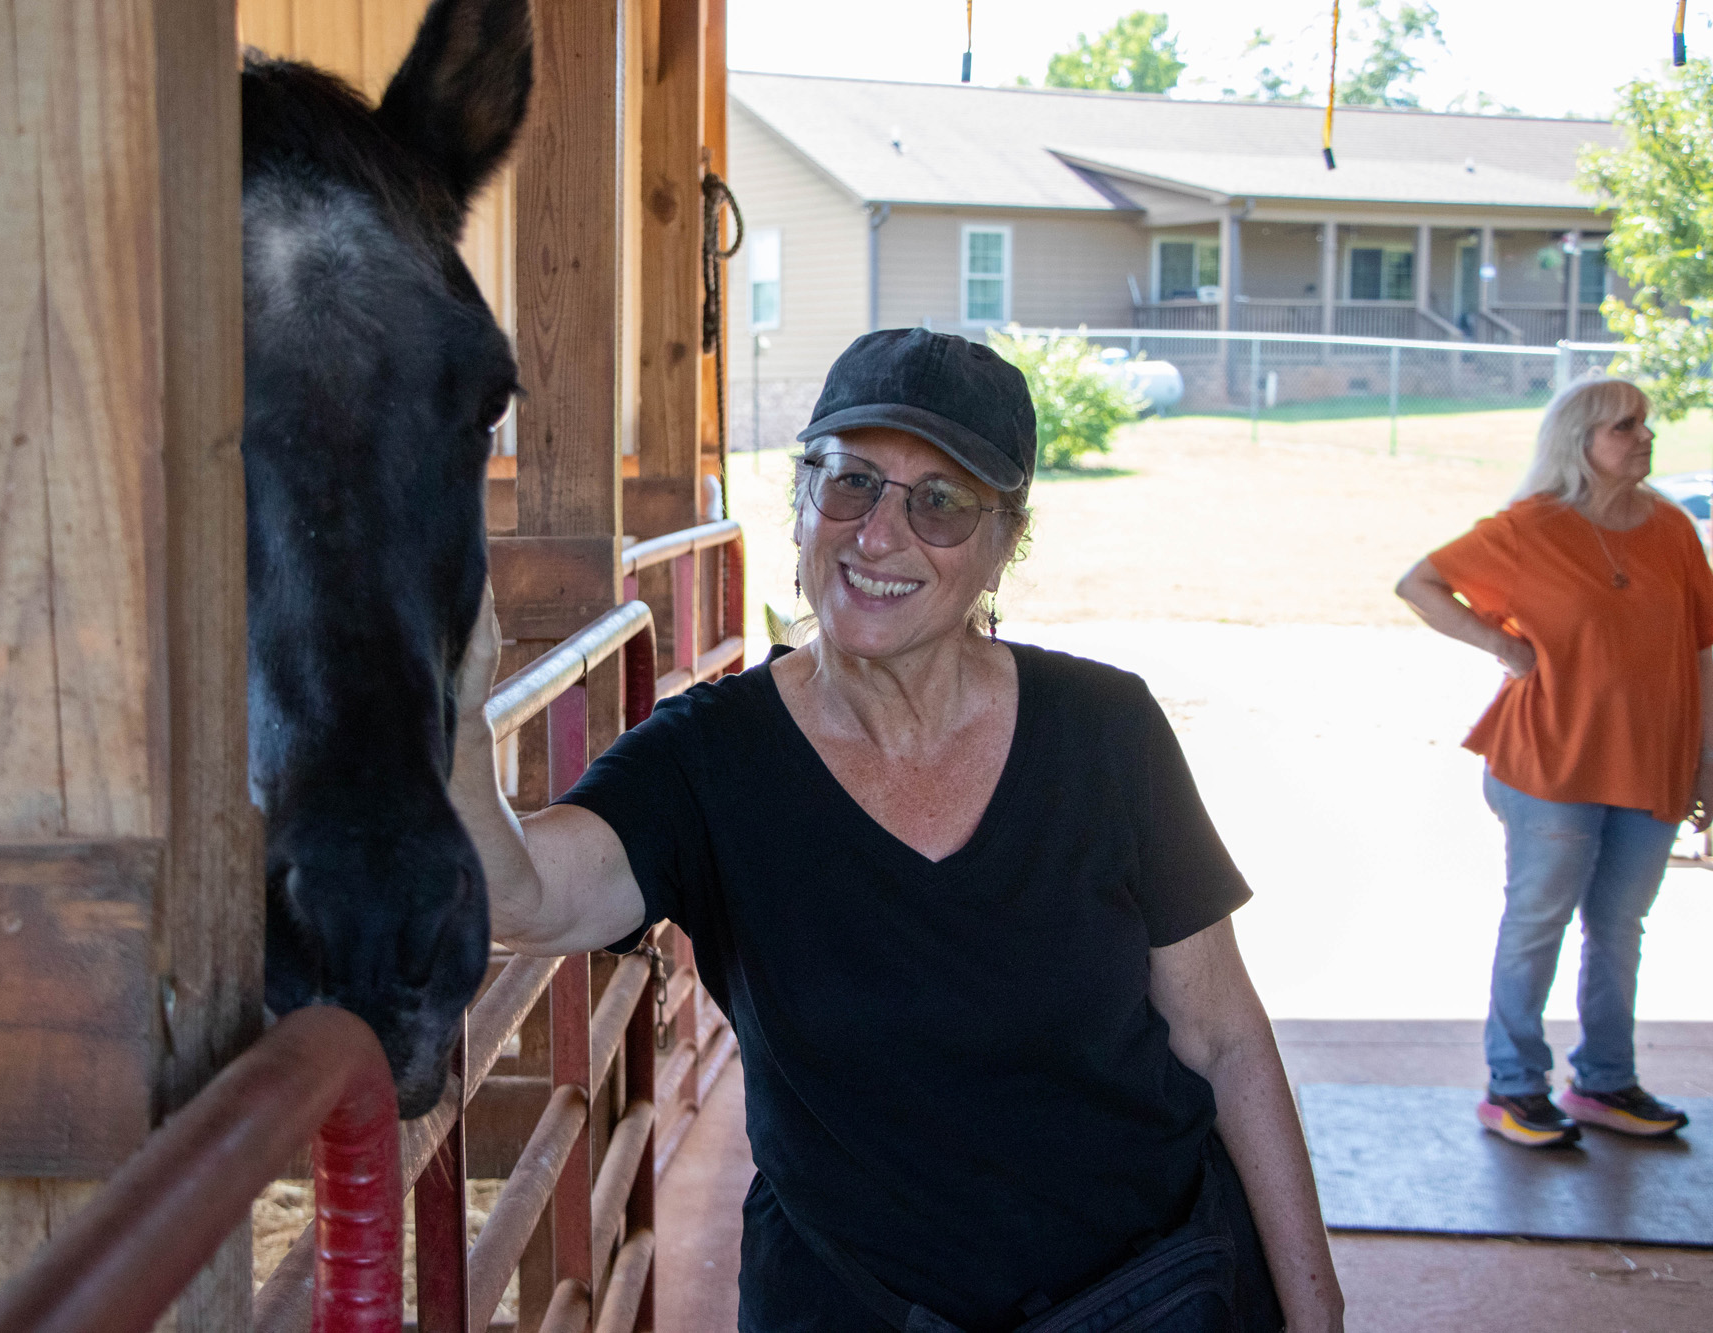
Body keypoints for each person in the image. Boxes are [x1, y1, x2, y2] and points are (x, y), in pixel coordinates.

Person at [451, 329, 1343, 1332]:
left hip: (1142, 1295)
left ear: (1004, 543)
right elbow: (522, 897)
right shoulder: (708, 758)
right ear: (800, 504)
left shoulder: (1105, 731)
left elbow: (1222, 1037)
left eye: (941, 502)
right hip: (850, 1305)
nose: (878, 536)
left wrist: (1317, 1312)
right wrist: (452, 714)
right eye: (852, 483)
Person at [1397, 375, 1706, 1149]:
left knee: (1620, 926)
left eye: (1644, 422)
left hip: (1652, 760)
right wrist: (1501, 645)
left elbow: (1704, 650)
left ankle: (1604, 1080)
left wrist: (1707, 757)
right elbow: (1419, 584)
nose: (1644, 435)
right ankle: (1514, 1087)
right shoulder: (1529, 528)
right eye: (1624, 425)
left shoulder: (1672, 528)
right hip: (1550, 760)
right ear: (1579, 440)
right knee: (1539, 919)